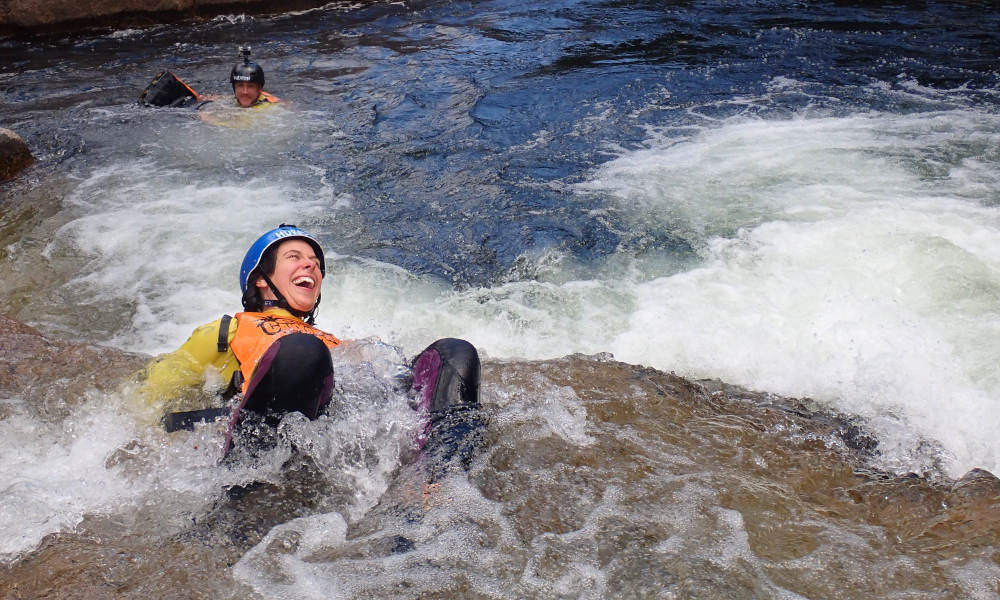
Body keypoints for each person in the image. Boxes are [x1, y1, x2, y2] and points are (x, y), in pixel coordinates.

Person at [140, 224, 482, 460]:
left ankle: (435, 479)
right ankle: (251, 488)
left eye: (316, 263)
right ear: (260, 280)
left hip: (343, 433)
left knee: (454, 352)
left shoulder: (332, 340)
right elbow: (154, 391)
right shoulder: (227, 330)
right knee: (303, 353)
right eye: (294, 257)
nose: (311, 266)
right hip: (267, 436)